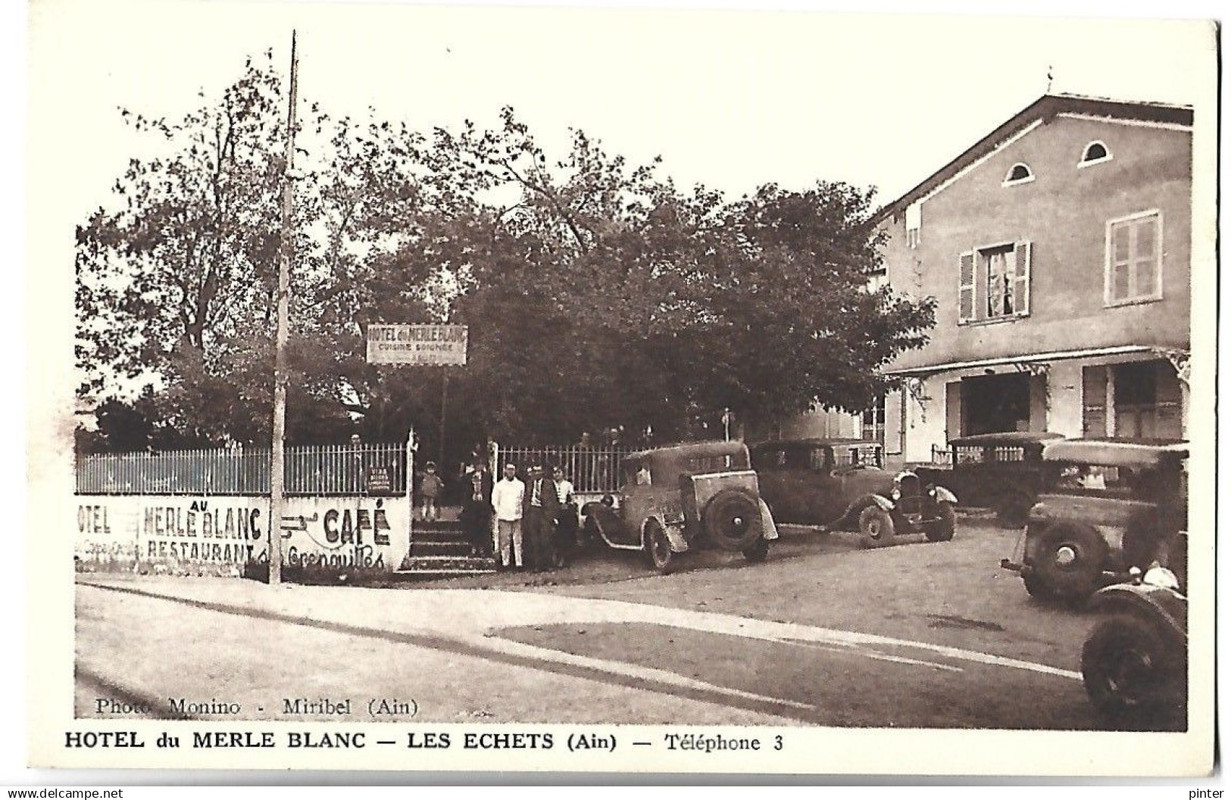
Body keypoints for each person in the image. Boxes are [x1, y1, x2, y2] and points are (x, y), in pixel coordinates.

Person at [521, 462, 560, 571]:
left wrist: (553, 516)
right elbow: (526, 498)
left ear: (542, 472)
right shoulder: (529, 483)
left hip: (544, 512)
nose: (537, 473)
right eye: (535, 471)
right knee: (534, 539)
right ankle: (537, 565)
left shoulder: (549, 484)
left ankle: (547, 564)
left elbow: (554, 500)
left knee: (545, 538)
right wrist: (526, 512)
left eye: (539, 471)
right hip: (532, 512)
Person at [491, 463, 525, 570]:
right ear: (505, 470)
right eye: (508, 469)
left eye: (512, 469)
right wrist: (500, 512)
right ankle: (505, 563)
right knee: (505, 541)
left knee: (518, 540)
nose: (510, 472)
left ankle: (518, 563)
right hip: (504, 516)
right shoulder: (499, 485)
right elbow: (495, 501)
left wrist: (518, 511)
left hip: (517, 516)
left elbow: (522, 499)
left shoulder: (520, 485)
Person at [460, 460, 494, 557]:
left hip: (483, 506)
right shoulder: (468, 476)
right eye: (477, 464)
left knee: (483, 527)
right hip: (472, 506)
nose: (479, 466)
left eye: (481, 464)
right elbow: (465, 491)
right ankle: (474, 548)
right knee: (472, 527)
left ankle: (482, 549)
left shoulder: (487, 476)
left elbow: (489, 490)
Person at [551, 465, 578, 567]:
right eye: (555, 473)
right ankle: (554, 557)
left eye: (559, 472)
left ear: (563, 473)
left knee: (565, 534)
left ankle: (565, 558)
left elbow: (572, 498)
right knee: (554, 535)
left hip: (564, 511)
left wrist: (568, 505)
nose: (557, 475)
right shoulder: (550, 484)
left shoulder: (567, 485)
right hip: (553, 509)